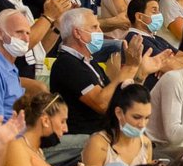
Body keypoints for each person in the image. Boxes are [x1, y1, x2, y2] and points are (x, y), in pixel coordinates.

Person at [50, 8, 166, 141]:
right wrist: (129, 68)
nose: (100, 31)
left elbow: (123, 102)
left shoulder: (89, 62)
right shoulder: (67, 64)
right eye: (94, 27)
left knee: (142, 142)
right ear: (77, 32)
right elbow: (102, 104)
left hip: (103, 133)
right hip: (83, 138)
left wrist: (141, 74)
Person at [82, 83, 155, 166]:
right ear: (119, 113)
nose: (142, 124)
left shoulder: (146, 143)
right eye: (136, 117)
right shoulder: (98, 144)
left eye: (147, 118)